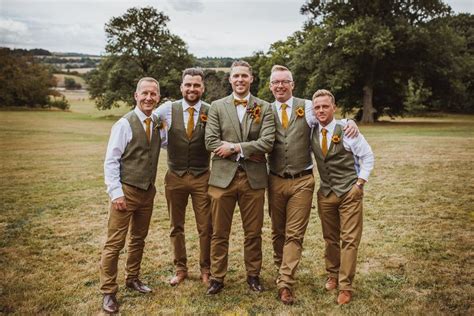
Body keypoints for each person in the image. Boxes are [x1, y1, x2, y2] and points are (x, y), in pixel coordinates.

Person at [267, 65, 359, 304]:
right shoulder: (265, 111)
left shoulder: (307, 107)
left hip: (302, 181)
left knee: (294, 234)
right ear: (270, 86)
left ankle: (286, 283)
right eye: (275, 82)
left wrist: (349, 122)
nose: (280, 86)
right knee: (278, 232)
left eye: (284, 81)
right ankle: (281, 270)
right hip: (274, 179)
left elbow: (327, 115)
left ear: (292, 84)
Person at [204, 60, 275, 295]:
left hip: (253, 179)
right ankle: (217, 277)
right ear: (230, 79)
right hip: (222, 179)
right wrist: (247, 149)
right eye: (236, 76)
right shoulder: (216, 106)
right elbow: (211, 141)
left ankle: (253, 275)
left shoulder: (264, 107)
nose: (240, 80)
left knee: (253, 231)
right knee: (219, 231)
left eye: (244, 76)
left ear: (251, 79)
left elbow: (267, 142)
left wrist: (235, 148)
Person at [100, 77, 164, 313]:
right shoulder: (124, 124)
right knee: (115, 243)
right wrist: (115, 193)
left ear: (158, 97)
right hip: (125, 192)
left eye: (153, 94)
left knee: (138, 238)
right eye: (144, 93)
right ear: (136, 96)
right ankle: (108, 291)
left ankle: (132, 278)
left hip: (147, 191)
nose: (149, 97)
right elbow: (111, 160)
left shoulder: (157, 122)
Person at [310, 89, 374, 305]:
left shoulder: (347, 130)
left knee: (349, 240)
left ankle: (346, 286)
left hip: (349, 192)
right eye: (317, 107)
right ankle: (332, 274)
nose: (321, 110)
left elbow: (368, 157)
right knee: (330, 239)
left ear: (333, 107)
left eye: (325, 106)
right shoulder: (311, 129)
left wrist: (359, 184)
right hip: (326, 193)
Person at [153, 68, 212, 286]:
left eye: (196, 85)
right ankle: (180, 269)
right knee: (175, 225)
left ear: (202, 88)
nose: (192, 89)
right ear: (181, 87)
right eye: (188, 85)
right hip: (175, 176)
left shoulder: (211, 110)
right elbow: (147, 119)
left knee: (206, 226)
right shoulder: (168, 109)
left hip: (202, 176)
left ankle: (206, 269)